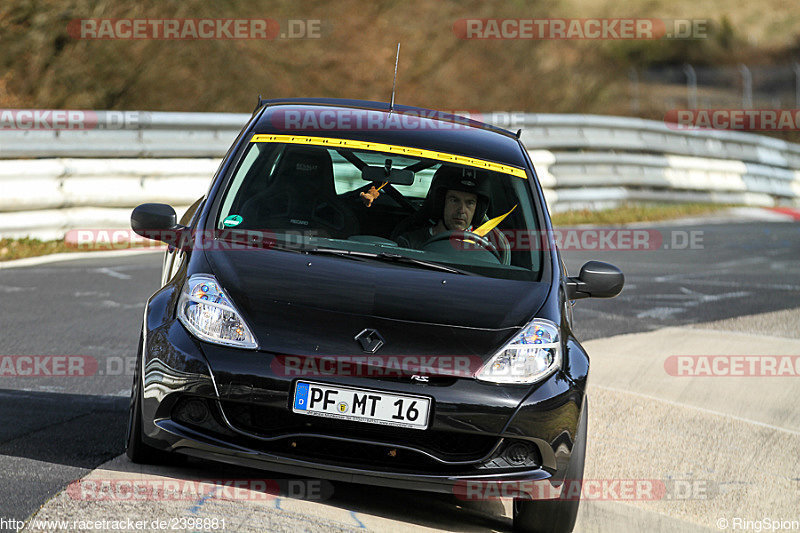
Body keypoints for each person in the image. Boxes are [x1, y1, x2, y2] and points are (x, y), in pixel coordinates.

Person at [395, 165, 490, 249]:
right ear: (440, 203)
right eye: (454, 200)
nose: (461, 210)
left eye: (469, 203)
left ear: (478, 209)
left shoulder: (485, 248)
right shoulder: (411, 244)